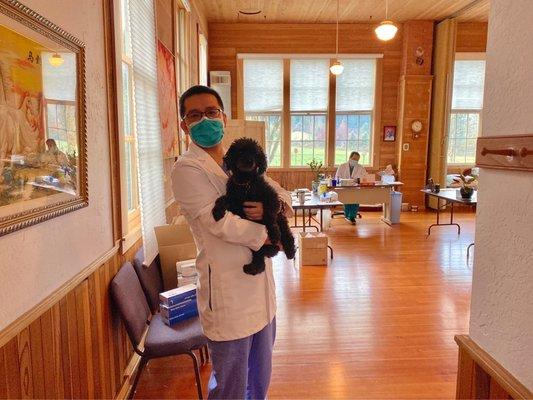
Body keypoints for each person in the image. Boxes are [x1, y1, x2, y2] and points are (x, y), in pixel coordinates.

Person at [171, 85, 293, 400]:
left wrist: (273, 208)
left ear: (223, 117)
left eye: (211, 112)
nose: (205, 120)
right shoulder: (187, 169)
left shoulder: (238, 160)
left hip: (261, 293)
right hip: (228, 295)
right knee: (231, 387)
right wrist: (270, 236)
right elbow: (219, 222)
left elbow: (280, 194)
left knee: (260, 380)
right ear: (185, 125)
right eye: (195, 115)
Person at [335, 151, 368, 224]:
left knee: (355, 200)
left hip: (355, 188)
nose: (355, 161)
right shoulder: (342, 166)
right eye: (354, 159)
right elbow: (337, 177)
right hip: (344, 188)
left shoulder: (360, 167)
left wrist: (358, 180)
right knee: (347, 200)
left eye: (357, 160)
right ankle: (347, 215)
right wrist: (345, 181)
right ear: (350, 158)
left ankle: (352, 216)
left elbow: (365, 177)